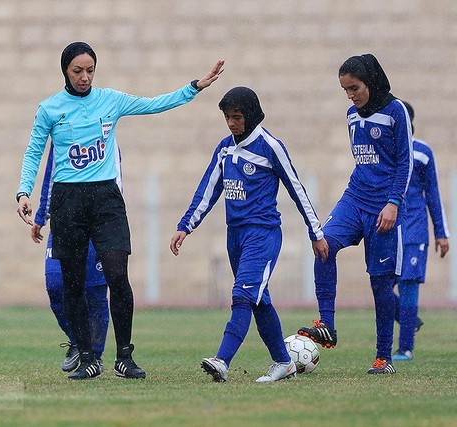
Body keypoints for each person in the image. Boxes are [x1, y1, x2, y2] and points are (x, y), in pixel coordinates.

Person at [16, 41, 224, 380]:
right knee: (73, 283)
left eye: (90, 70)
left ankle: (124, 357)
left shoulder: (110, 99)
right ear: (65, 71)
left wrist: (193, 87)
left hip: (106, 199)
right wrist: (23, 191)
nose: (85, 77)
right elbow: (34, 152)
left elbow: (154, 104)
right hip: (68, 201)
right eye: (77, 71)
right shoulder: (50, 108)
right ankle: (87, 356)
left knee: (118, 277)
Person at [170, 86, 329, 383]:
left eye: (237, 117)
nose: (232, 123)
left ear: (252, 115)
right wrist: (185, 226)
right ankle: (283, 362)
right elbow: (207, 191)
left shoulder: (270, 146)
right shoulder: (225, 148)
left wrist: (316, 232)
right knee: (259, 301)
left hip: (263, 234)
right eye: (227, 117)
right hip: (236, 237)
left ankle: (222, 360)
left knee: (242, 295)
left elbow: (297, 190)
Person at [298, 54, 413, 375]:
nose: (350, 95)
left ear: (371, 82)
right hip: (355, 198)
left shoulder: (395, 111)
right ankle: (327, 325)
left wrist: (393, 203)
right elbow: (365, 162)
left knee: (380, 284)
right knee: (322, 244)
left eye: (355, 88)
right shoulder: (351, 115)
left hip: (384, 207)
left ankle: (383, 358)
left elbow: (405, 163)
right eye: (345, 90)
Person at [31, 143, 109, 372]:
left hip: (97, 221)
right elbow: (50, 175)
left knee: (95, 291)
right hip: (63, 221)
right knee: (56, 284)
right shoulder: (60, 133)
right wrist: (41, 215)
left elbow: (117, 181)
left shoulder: (105, 136)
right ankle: (77, 340)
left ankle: (95, 354)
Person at [392, 101, 450, 361]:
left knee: (408, 286)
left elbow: (433, 194)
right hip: (388, 231)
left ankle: (405, 348)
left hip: (415, 231)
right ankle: (409, 318)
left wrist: (441, 232)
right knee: (381, 285)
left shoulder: (423, 152)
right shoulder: (384, 151)